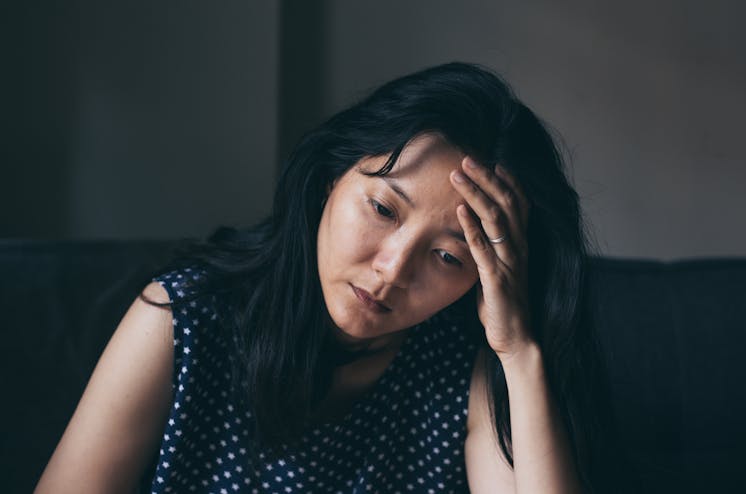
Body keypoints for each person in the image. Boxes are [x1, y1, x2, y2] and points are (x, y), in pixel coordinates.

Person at [35, 62, 636, 493]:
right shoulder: (183, 317)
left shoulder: (465, 362)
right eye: (382, 209)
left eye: (449, 257)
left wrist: (519, 350)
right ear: (330, 179)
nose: (392, 270)